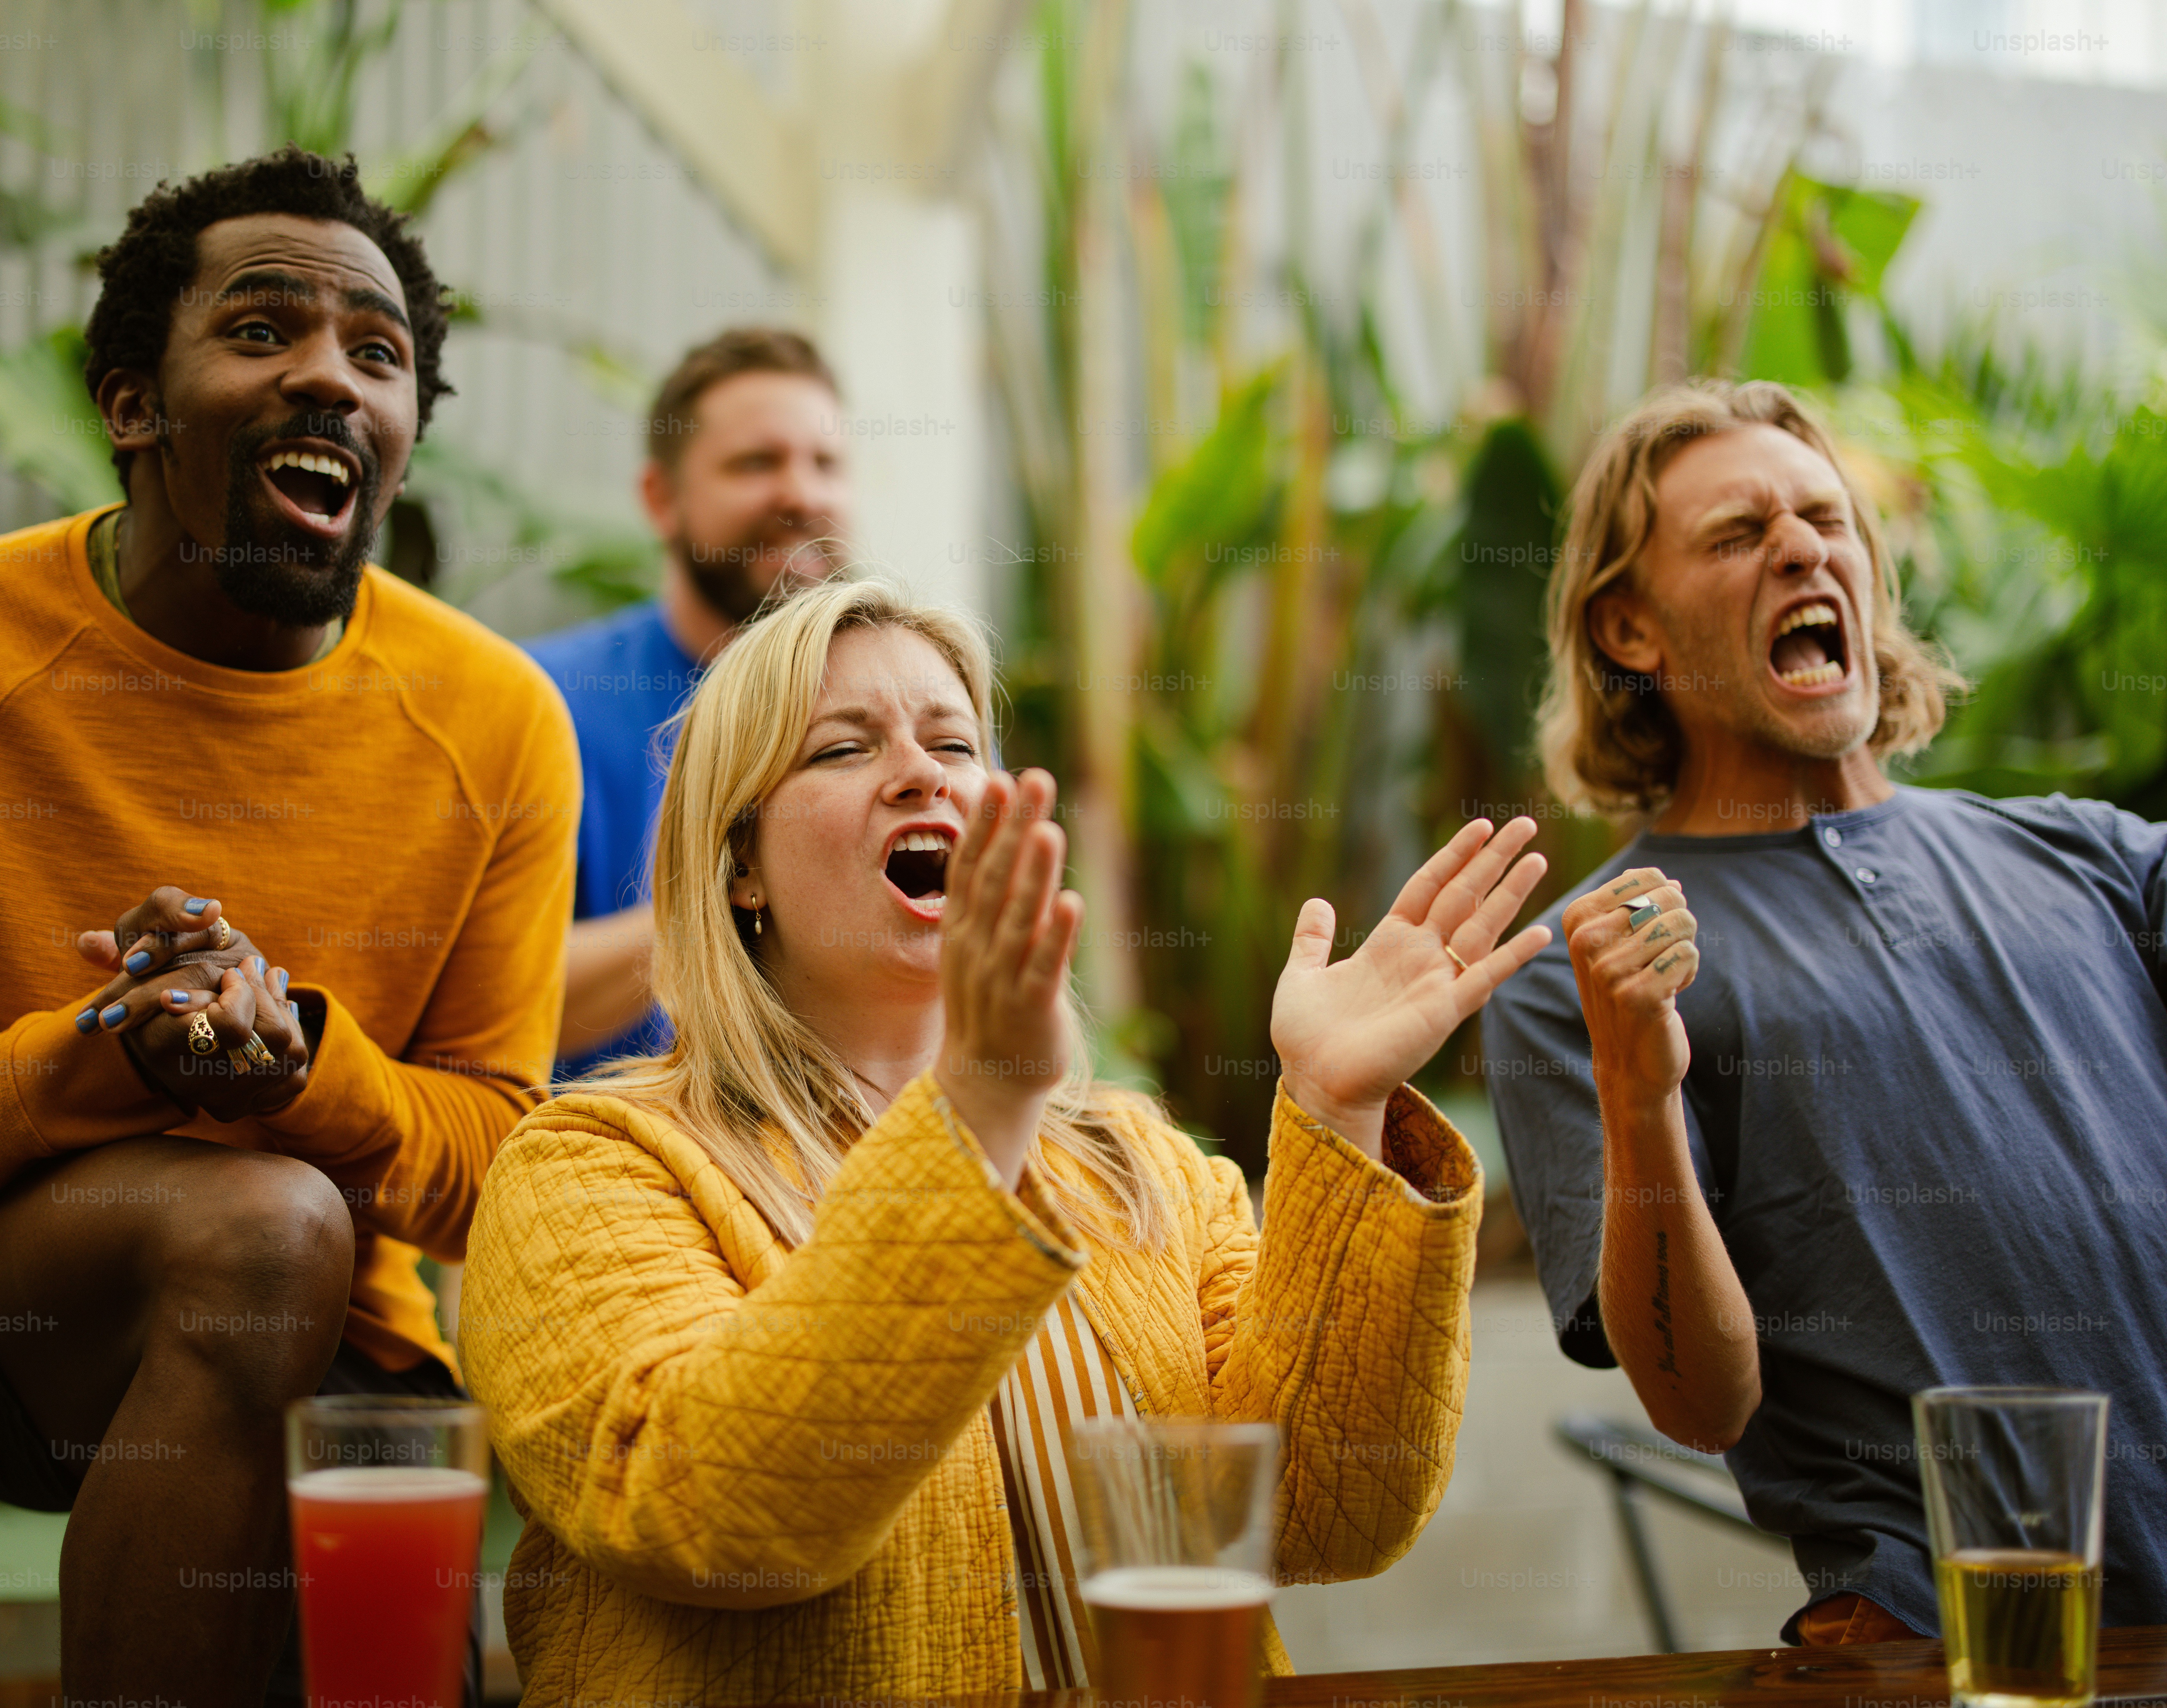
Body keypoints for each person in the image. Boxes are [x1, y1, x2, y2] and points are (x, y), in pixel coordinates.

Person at [0, 148, 578, 1705]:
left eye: (377, 354)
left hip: (350, 1325)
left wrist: (295, 1074)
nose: (329, 375)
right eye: (263, 331)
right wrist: (112, 1054)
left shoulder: (499, 720)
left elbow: (488, 1169)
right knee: (263, 1225)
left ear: (402, 438)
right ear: (132, 405)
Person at [460, 577, 1552, 1704]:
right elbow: (713, 1515)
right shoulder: (591, 1165)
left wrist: (1335, 1110)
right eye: (842, 748)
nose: (922, 771)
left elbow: (1327, 1515)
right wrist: (973, 1112)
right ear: (739, 866)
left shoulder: (1143, 1165)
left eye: (954, 741)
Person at [1481, 379, 2167, 1645]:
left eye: (1824, 518)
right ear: (1629, 631)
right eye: (1737, 534)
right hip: (1952, 1647)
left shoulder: (2101, 862)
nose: (1801, 545)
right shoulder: (1577, 974)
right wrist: (1639, 1091)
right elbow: (1699, 1401)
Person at [526, 327, 852, 1076]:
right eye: (756, 462)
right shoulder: (543, 701)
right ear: (661, 498)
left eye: (825, 463)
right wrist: (739, 902)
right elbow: (494, 1000)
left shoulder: (915, 707)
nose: (800, 494)